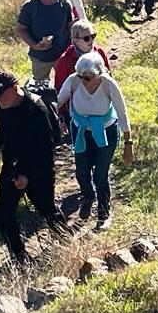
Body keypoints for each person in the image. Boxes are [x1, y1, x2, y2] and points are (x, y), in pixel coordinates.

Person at [0, 71, 71, 263]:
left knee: (47, 211)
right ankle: (20, 258)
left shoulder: (37, 109)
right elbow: (2, 132)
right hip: (12, 167)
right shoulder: (0, 104)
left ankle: (67, 245)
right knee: (3, 216)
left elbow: (46, 151)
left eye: (0, 96)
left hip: (38, 170)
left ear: (14, 89)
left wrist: (28, 177)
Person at [56, 52, 132, 231]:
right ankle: (88, 197)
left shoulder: (108, 84)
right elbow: (58, 101)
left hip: (106, 132)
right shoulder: (74, 80)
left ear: (100, 74)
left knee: (100, 175)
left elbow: (122, 112)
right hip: (81, 130)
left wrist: (128, 144)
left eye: (89, 78)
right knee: (82, 172)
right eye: (83, 77)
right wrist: (53, 114)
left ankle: (104, 213)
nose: (85, 81)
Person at [16, 0, 74, 82]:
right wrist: (34, 45)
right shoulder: (31, 6)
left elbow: (70, 26)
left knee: (66, 85)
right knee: (40, 88)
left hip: (62, 55)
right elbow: (21, 29)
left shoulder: (65, 4)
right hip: (40, 57)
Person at [54, 19, 112, 115]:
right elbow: (59, 89)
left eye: (93, 36)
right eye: (86, 38)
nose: (91, 41)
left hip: (100, 107)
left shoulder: (100, 53)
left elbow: (110, 81)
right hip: (77, 111)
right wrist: (61, 116)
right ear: (75, 41)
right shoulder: (65, 60)